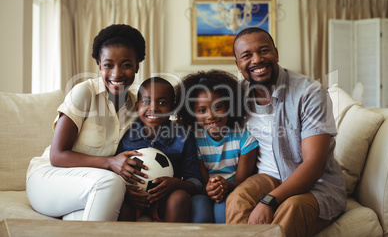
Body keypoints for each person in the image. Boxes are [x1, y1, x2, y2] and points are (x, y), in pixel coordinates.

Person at [226, 27, 346, 237]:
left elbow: (314, 165)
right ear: (238, 65)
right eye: (247, 56)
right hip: (267, 177)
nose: (257, 60)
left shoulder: (309, 92)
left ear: (276, 53)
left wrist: (269, 200)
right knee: (237, 198)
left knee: (292, 207)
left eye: (264, 51)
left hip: (316, 185)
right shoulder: (238, 94)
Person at [26, 24, 149, 221]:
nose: (116, 74)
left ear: (137, 66)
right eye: (108, 65)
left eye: (126, 65)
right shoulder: (85, 93)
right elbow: (57, 155)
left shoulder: (137, 107)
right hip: (49, 179)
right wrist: (110, 163)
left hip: (90, 187)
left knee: (117, 211)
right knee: (111, 184)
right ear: (99, 66)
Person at [175, 70, 258, 224]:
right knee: (200, 211)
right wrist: (211, 188)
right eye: (202, 111)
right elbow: (202, 181)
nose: (210, 116)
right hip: (204, 191)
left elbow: (243, 183)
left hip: (235, 190)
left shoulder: (245, 138)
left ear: (229, 106)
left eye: (218, 107)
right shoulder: (193, 138)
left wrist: (227, 186)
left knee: (223, 212)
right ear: (192, 113)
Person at [116, 77, 202, 222]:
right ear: (137, 106)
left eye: (162, 103)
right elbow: (114, 172)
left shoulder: (184, 137)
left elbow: (196, 182)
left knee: (179, 197)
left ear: (172, 108)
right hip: (133, 200)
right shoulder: (125, 135)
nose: (154, 108)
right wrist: (125, 192)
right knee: (119, 202)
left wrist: (176, 183)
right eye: (146, 102)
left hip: (166, 200)